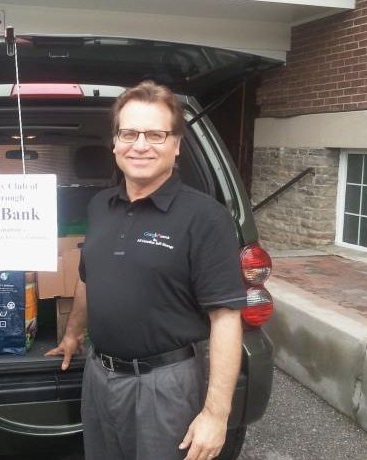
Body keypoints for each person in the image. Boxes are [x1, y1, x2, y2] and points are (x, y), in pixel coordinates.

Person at [46, 80, 246, 460]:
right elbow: (91, 278)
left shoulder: (206, 218)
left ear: (176, 145)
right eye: (129, 133)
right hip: (99, 376)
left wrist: (216, 415)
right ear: (115, 143)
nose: (140, 145)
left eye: (155, 134)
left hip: (165, 386)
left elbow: (225, 317)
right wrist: (72, 334)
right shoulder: (100, 205)